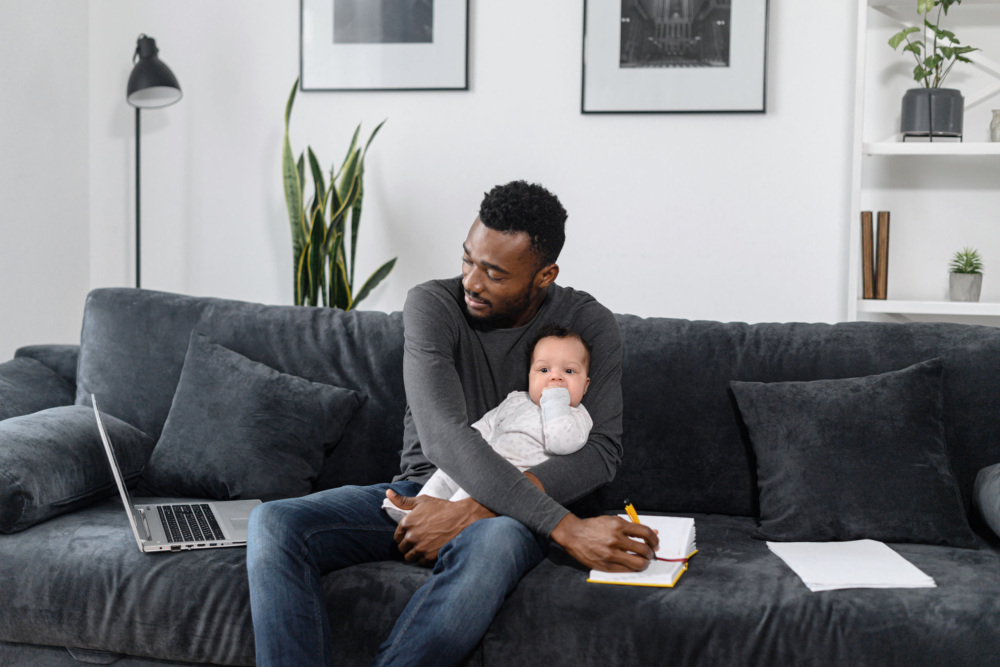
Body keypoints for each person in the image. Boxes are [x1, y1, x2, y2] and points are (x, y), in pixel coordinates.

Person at [246, 180, 658, 667]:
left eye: (495, 273)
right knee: (274, 522)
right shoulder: (432, 306)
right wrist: (566, 528)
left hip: (517, 514)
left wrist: (478, 511)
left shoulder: (588, 325)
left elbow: (601, 452)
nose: (472, 281)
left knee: (498, 539)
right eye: (468, 259)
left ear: (544, 275)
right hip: (423, 494)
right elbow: (443, 436)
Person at [382, 323, 594, 522]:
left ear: (584, 386)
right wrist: (467, 452)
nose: (555, 378)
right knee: (448, 474)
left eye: (569, 371)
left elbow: (562, 443)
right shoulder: (516, 400)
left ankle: (441, 520)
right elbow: (486, 425)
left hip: (511, 478)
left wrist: (555, 400)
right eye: (544, 370)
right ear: (530, 376)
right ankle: (417, 507)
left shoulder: (577, 416)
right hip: (483, 460)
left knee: (473, 490)